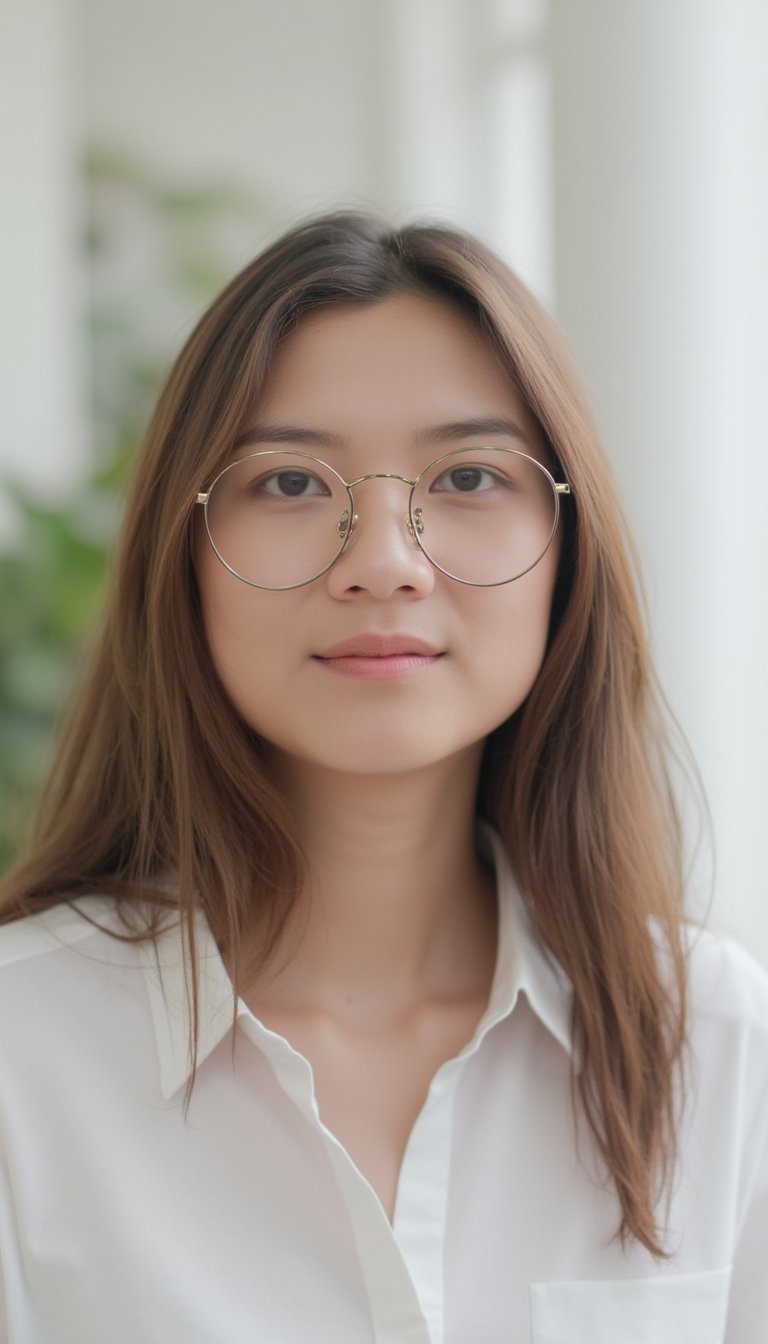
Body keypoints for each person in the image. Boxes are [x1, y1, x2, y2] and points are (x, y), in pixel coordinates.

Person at [0, 212, 766, 1343]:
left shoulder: (711, 1039)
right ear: (185, 550)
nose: (385, 563)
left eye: (467, 474)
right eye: (291, 484)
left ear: (568, 550)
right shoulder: (23, 1054)